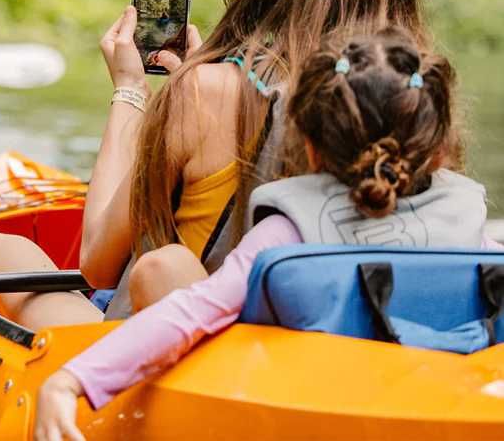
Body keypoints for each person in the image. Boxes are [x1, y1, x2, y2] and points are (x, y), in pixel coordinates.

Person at [0, 0, 428, 330]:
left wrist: (131, 92)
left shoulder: (207, 92)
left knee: (0, 248)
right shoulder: (413, 91)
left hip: (194, 351)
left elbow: (97, 260)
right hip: (323, 340)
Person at [35, 28, 500, 440]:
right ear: (440, 152)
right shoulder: (468, 226)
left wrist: (71, 380)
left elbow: (188, 314)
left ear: (311, 150)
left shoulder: (287, 231)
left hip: (294, 411)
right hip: (424, 402)